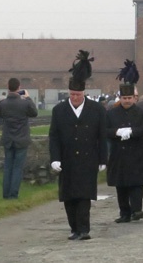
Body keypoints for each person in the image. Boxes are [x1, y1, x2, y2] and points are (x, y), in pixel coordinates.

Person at [49, 50, 107, 241]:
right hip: (67, 160)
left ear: (84, 93)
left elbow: (102, 135)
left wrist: (102, 158)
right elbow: (54, 137)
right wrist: (55, 158)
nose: (74, 97)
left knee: (84, 196)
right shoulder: (59, 111)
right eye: (72, 94)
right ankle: (74, 228)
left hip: (87, 159)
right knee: (69, 197)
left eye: (78, 94)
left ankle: (84, 229)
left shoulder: (96, 110)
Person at [106, 84, 143, 223]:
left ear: (134, 98)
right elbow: (105, 131)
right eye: (124, 98)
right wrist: (117, 132)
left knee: (137, 183)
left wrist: (132, 131)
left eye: (129, 98)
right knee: (121, 185)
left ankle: (137, 209)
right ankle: (124, 212)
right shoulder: (111, 113)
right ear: (120, 98)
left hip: (137, 153)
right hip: (119, 153)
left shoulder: (141, 113)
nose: (127, 100)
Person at [0, 78, 38, 199]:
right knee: (17, 168)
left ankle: (5, 194)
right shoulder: (24, 103)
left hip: (8, 138)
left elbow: (1, 117)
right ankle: (13, 194)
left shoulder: (2, 104)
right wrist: (28, 98)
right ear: (19, 87)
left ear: (8, 87)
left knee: (8, 166)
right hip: (21, 138)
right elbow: (34, 113)